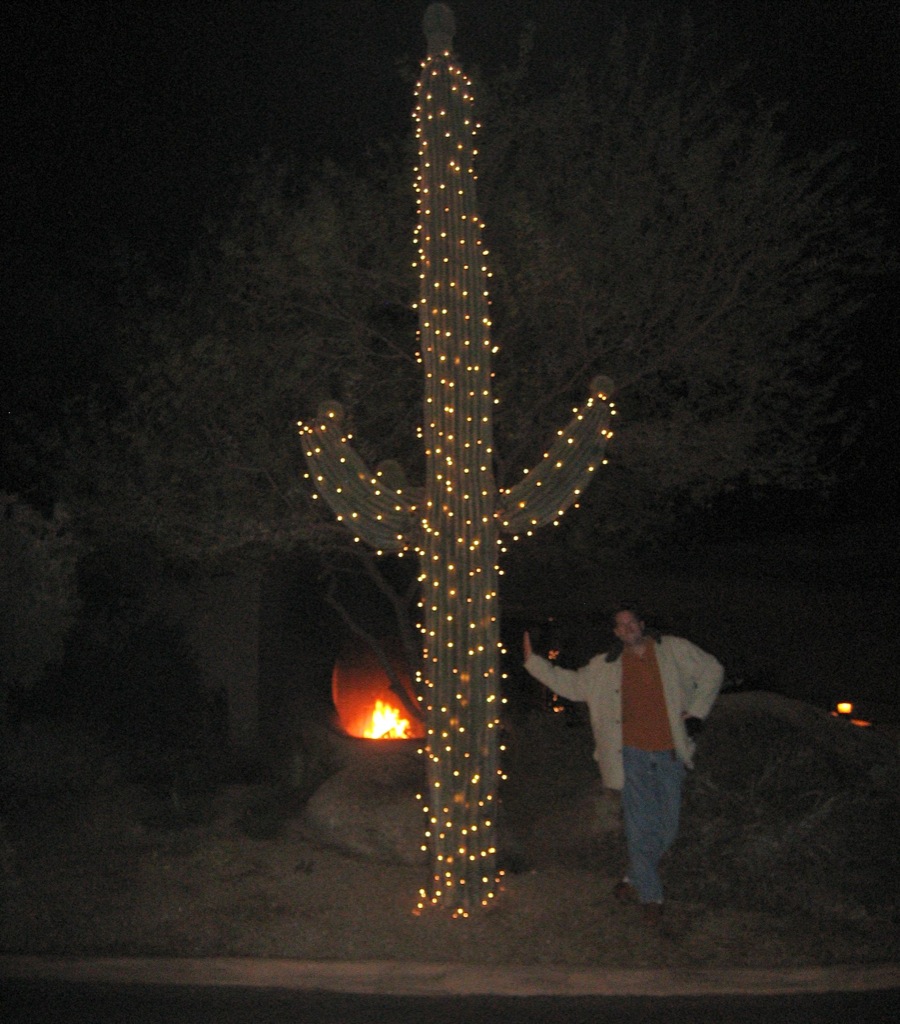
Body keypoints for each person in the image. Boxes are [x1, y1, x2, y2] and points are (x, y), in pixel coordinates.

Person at [523, 603, 723, 924]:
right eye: (620, 625)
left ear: (641, 625)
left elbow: (712, 670)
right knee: (640, 828)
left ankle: (633, 879)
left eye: (632, 622)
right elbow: (573, 685)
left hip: (671, 752)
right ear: (615, 633)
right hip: (632, 755)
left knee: (667, 828)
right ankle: (651, 897)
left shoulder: (673, 650)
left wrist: (697, 711)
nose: (627, 628)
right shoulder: (605, 666)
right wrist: (534, 663)